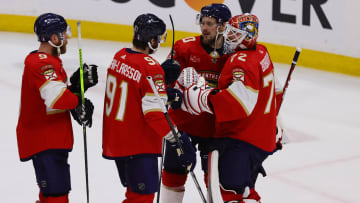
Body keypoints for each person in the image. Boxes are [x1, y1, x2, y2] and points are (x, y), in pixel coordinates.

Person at [182, 13, 284, 202]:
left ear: (248, 36)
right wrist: (274, 124)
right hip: (260, 139)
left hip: (240, 141)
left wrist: (199, 96)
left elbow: (237, 104)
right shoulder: (262, 52)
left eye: (235, 34)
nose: (228, 37)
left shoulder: (241, 62)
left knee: (227, 193)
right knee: (244, 191)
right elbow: (275, 90)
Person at [101, 13, 194, 203]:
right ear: (152, 40)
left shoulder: (120, 56)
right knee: (141, 198)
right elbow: (153, 115)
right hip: (138, 144)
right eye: (158, 38)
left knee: (134, 195)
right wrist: (178, 139)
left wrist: (163, 91)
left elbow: (136, 95)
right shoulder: (150, 68)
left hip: (117, 140)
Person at [16, 13, 98, 203]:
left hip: (48, 140)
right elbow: (57, 99)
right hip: (44, 141)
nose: (67, 37)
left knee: (49, 194)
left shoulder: (47, 61)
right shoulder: (42, 63)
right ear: (54, 38)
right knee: (57, 196)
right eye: (64, 33)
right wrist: (77, 98)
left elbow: (55, 95)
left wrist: (74, 89)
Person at [160, 3, 232, 203]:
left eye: (210, 23)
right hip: (183, 125)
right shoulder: (185, 47)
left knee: (215, 182)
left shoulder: (232, 54)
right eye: (202, 23)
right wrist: (167, 77)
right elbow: (163, 81)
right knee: (173, 175)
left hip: (214, 129)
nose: (204, 28)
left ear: (223, 26)